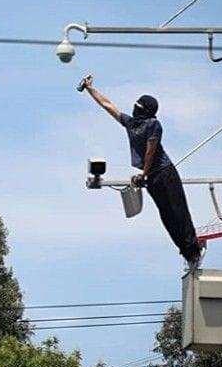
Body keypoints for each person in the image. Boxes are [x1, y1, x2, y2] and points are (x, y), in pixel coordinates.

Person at [80, 75, 205, 269]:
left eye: (138, 105)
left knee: (179, 212)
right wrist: (90, 89)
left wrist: (144, 175)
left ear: (145, 110)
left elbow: (151, 150)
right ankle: (187, 253)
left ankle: (195, 250)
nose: (134, 107)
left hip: (165, 173)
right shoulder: (131, 123)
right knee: (166, 216)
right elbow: (107, 105)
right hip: (151, 178)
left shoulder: (153, 124)